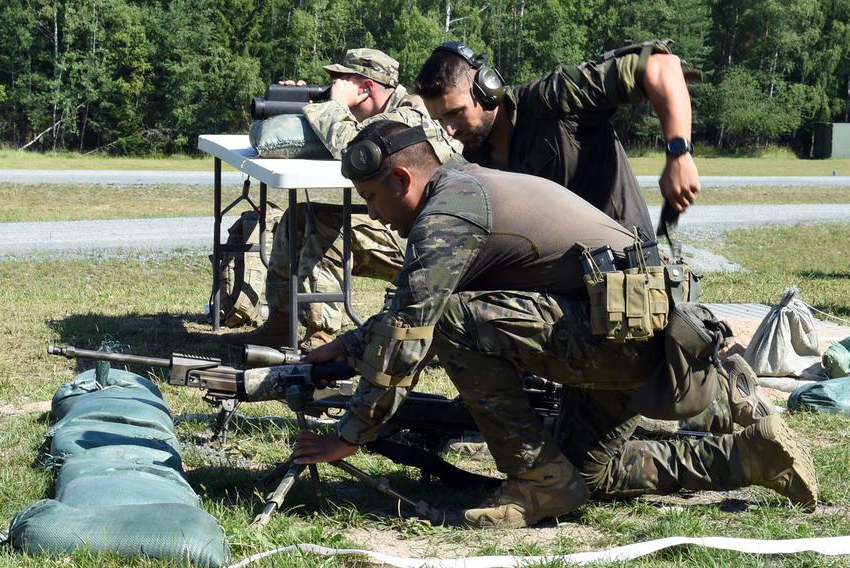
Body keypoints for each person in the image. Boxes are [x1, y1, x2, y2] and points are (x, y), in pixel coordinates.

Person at [291, 118, 818, 529]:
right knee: (586, 477)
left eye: (373, 198)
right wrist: (350, 343)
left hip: (621, 342)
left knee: (454, 324)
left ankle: (534, 480)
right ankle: (751, 456)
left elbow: (414, 326)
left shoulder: (448, 213)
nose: (376, 214)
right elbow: (419, 300)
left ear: (403, 178)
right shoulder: (464, 188)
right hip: (629, 339)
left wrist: (351, 434)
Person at [228, 48, 443, 351]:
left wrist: (334, 105)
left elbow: (355, 150)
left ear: (366, 88)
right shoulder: (376, 115)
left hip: (426, 237)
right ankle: (280, 323)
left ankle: (321, 333)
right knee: (299, 216)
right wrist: (295, 104)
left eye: (341, 81)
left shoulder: (411, 113)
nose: (332, 87)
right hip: (395, 222)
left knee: (327, 224)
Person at [414, 40, 701, 239]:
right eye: (440, 120)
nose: (449, 129)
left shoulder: (553, 99)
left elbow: (661, 66)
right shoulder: (474, 160)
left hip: (619, 274)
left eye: (456, 113)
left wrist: (678, 153)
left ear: (487, 89)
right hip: (552, 284)